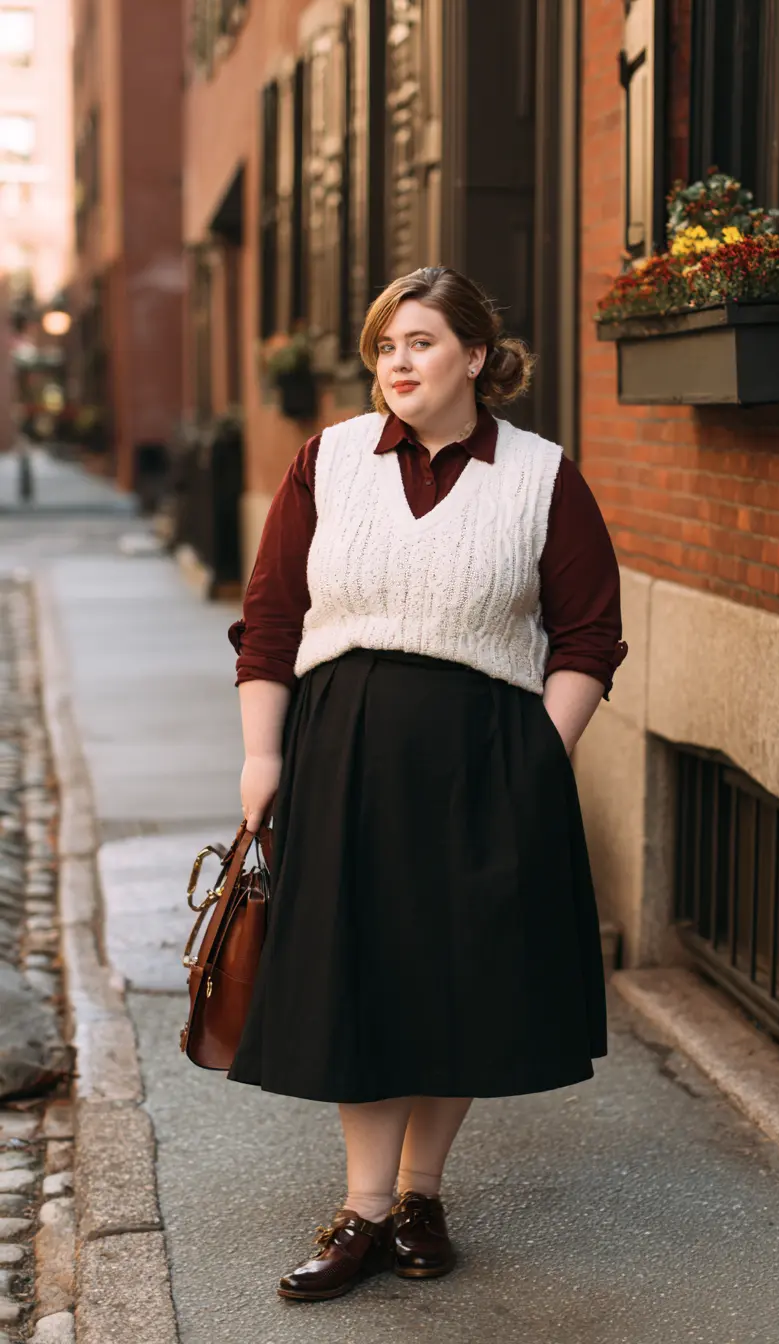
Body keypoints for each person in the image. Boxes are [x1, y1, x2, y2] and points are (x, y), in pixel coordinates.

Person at [227, 265, 627, 1302]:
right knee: (358, 971)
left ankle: (419, 1193)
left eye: (419, 343)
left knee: (458, 977)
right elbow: (269, 620)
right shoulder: (331, 461)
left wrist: (539, 754)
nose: (397, 365)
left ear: (476, 356)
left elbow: (587, 636)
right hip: (339, 751)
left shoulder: (541, 475)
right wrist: (262, 757)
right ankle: (360, 1211)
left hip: (484, 760)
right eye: (384, 349)